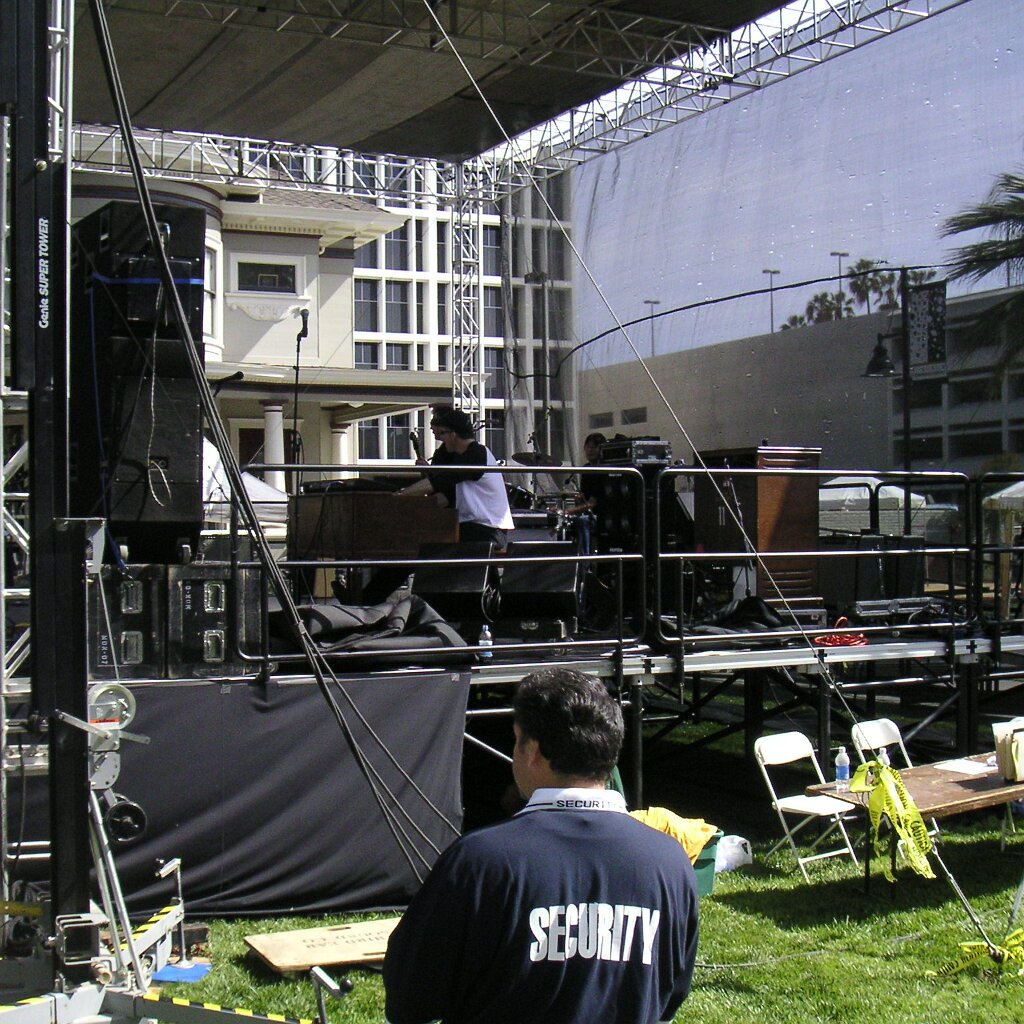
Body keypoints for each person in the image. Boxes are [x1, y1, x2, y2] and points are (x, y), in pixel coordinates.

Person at [383, 667, 699, 1024]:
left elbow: (410, 998)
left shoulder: (479, 862)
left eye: (516, 739)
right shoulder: (671, 862)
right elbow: (669, 996)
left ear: (532, 751)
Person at [398, 406, 513, 549]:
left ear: (453, 434)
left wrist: (400, 496)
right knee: (426, 542)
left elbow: (439, 482)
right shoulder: (462, 457)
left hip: (488, 528)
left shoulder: (476, 454)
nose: (440, 440)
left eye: (442, 434)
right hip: (474, 525)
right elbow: (446, 498)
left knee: (434, 547)